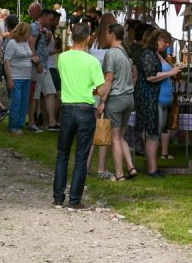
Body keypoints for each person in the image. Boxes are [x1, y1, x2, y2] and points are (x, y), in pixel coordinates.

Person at [52, 23, 105, 209]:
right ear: (88, 38)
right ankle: (75, 199)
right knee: (81, 156)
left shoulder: (63, 57)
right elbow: (101, 88)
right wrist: (95, 94)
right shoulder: (92, 62)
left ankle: (58, 197)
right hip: (85, 108)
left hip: (67, 107)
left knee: (62, 154)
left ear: (72, 37)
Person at [135, 28, 183, 176]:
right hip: (151, 99)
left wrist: (173, 73)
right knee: (153, 134)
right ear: (156, 40)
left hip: (161, 100)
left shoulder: (157, 54)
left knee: (156, 133)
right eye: (165, 42)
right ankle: (152, 168)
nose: (167, 45)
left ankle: (153, 166)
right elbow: (150, 76)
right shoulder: (148, 54)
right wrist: (171, 72)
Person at [98, 23, 138, 181]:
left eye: (107, 34)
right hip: (129, 98)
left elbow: (108, 79)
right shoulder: (125, 53)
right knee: (120, 136)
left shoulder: (111, 53)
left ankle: (119, 174)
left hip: (116, 99)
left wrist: (102, 101)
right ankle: (131, 167)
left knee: (114, 138)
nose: (105, 37)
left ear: (111, 34)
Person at [3, 22, 35, 133]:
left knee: (24, 102)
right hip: (16, 77)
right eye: (28, 32)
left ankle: (20, 125)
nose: (30, 34)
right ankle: (13, 126)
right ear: (22, 32)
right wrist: (9, 78)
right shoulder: (12, 43)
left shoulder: (26, 42)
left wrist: (33, 59)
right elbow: (6, 60)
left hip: (27, 77)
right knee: (16, 102)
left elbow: (26, 56)